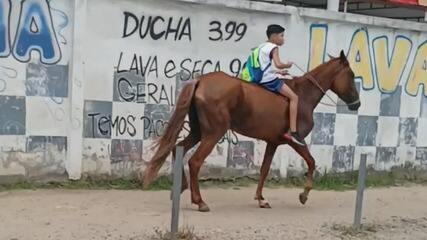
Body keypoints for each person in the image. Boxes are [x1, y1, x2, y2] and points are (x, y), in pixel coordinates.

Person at [242, 24, 305, 146]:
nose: (283, 39)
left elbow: (264, 67)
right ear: (274, 36)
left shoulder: (260, 47)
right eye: (282, 36)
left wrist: (279, 72)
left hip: (258, 79)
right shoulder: (273, 47)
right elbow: (278, 63)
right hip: (268, 80)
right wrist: (287, 65)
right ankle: (293, 131)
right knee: (294, 98)